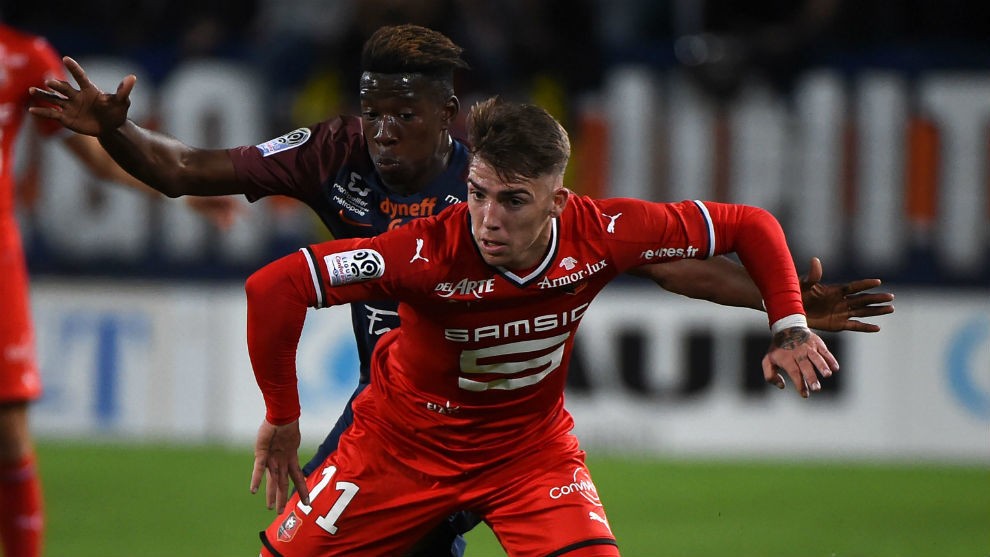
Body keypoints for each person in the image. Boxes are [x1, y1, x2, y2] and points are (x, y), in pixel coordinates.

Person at [27, 24, 892, 556]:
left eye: (404, 114)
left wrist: (780, 307)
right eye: (372, 110)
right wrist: (119, 135)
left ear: (451, 119)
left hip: (515, 437)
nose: (383, 129)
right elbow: (192, 178)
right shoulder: (342, 163)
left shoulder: (512, 188)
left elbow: (665, 255)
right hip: (395, 413)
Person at [242, 96, 841, 556]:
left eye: (513, 200)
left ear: (557, 202)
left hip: (527, 457)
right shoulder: (424, 251)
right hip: (398, 451)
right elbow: (275, 286)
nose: (487, 219)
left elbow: (749, 224)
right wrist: (283, 415)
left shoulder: (602, 232)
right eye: (477, 193)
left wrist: (789, 324)